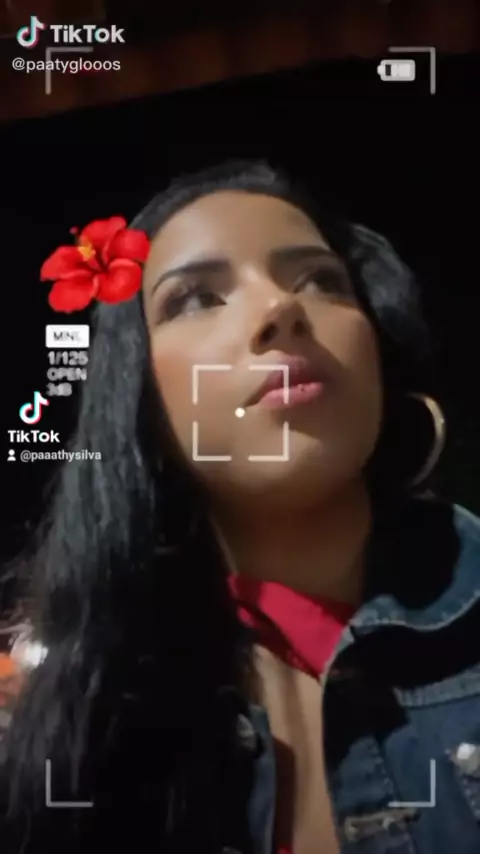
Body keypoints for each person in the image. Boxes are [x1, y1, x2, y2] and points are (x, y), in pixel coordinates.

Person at [1, 160, 480, 854]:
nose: (280, 308)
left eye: (320, 280)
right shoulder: (74, 729)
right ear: (139, 401)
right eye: (196, 297)